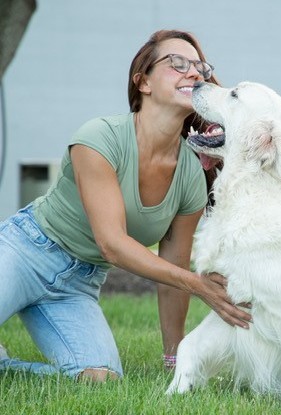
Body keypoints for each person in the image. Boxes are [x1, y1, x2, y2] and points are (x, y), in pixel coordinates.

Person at [0, 29, 252, 381]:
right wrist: (198, 284)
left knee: (100, 379)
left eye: (200, 68)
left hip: (77, 284)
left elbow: (173, 271)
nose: (194, 72)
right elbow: (112, 244)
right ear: (143, 83)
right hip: (25, 251)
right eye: (178, 63)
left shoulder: (192, 175)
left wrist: (175, 361)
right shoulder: (98, 138)